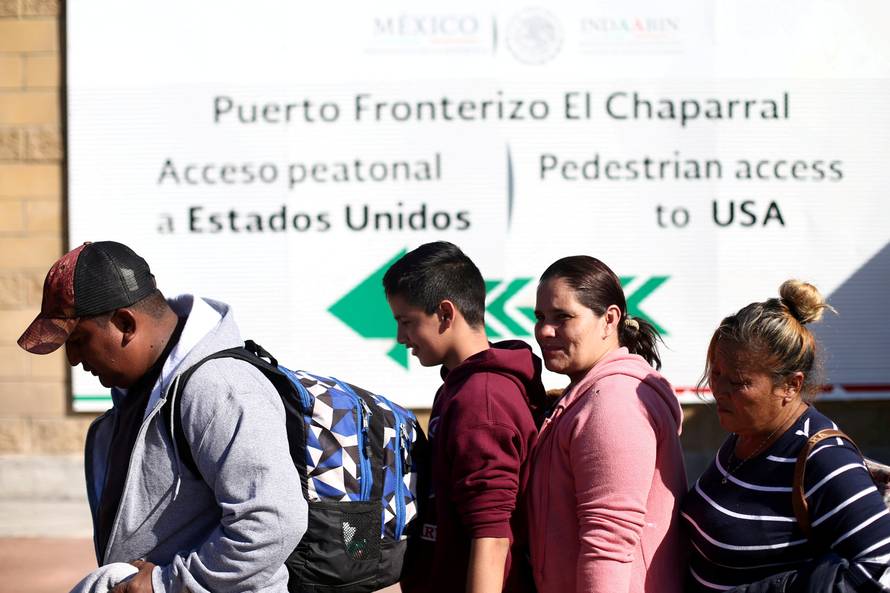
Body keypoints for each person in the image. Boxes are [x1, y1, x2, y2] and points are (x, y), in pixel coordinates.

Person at [17, 241, 307, 593]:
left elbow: (273, 522)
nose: (73, 359)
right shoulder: (142, 394)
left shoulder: (219, 387)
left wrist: (165, 583)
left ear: (125, 323)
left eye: (79, 340)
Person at [681, 280, 890, 592]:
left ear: (791, 386)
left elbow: (882, 567)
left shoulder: (825, 457)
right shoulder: (748, 434)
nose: (719, 390)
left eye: (738, 382)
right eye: (717, 373)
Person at [382, 241, 545, 593]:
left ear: (445, 313)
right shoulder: (461, 389)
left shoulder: (481, 401)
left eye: (406, 321)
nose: (400, 337)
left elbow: (492, 537)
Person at [527, 255, 687, 593]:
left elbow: (608, 547)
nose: (544, 330)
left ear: (609, 319)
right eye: (540, 317)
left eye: (563, 317)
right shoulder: (592, 393)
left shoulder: (614, 401)